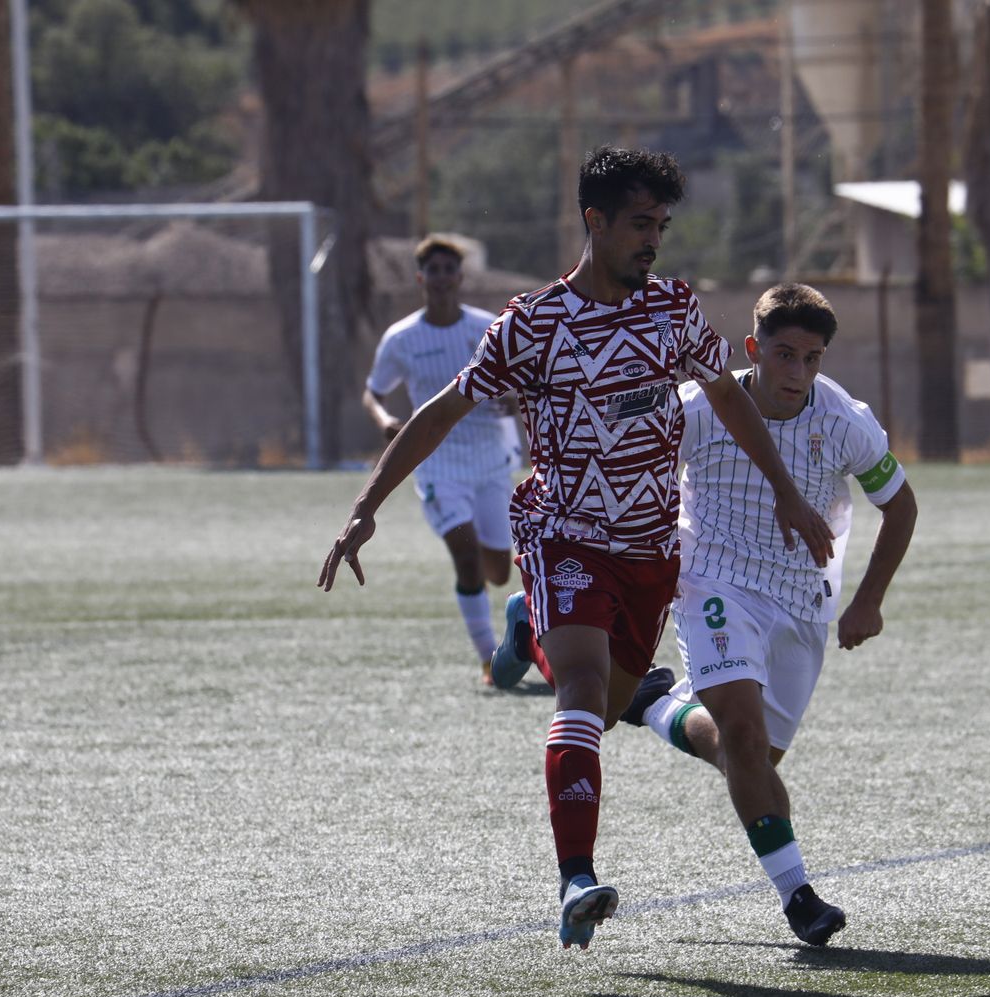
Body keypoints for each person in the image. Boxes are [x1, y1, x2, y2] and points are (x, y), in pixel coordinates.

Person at [319, 146, 833, 951]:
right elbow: (442, 411)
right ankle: (577, 878)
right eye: (639, 224)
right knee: (584, 689)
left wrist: (788, 492)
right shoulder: (533, 326)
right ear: (594, 221)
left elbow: (729, 397)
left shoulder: (671, 309)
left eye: (661, 225)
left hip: (648, 553)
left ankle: (539, 634)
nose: (653, 240)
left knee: (612, 693)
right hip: (564, 533)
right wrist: (364, 507)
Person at [621, 283, 918, 947]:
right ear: (752, 349)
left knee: (750, 758)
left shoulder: (844, 421)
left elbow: (901, 505)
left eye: (812, 358)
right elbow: (637, 472)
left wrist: (868, 599)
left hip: (803, 602)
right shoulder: (702, 407)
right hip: (713, 584)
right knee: (748, 743)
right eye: (784, 355)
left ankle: (656, 707)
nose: (798, 373)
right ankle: (800, 899)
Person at [363, 235, 520, 684]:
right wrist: (383, 419)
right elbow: (372, 391)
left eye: (449, 269)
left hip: (490, 462)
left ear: (460, 277)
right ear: (421, 278)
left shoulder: (487, 328)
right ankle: (490, 658)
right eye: (433, 270)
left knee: (498, 570)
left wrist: (513, 400)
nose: (441, 277)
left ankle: (509, 637)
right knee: (466, 557)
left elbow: (522, 380)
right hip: (436, 465)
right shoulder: (402, 338)